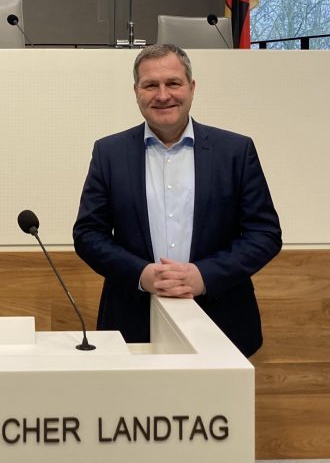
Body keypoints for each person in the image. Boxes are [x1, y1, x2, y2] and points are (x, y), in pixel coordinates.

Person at [72, 43, 281, 357]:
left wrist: (205, 275)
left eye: (173, 83)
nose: (163, 95)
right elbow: (88, 235)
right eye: (150, 85)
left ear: (192, 87)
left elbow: (264, 234)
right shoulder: (109, 153)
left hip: (222, 320)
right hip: (131, 322)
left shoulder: (235, 152)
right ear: (136, 91)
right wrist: (141, 274)